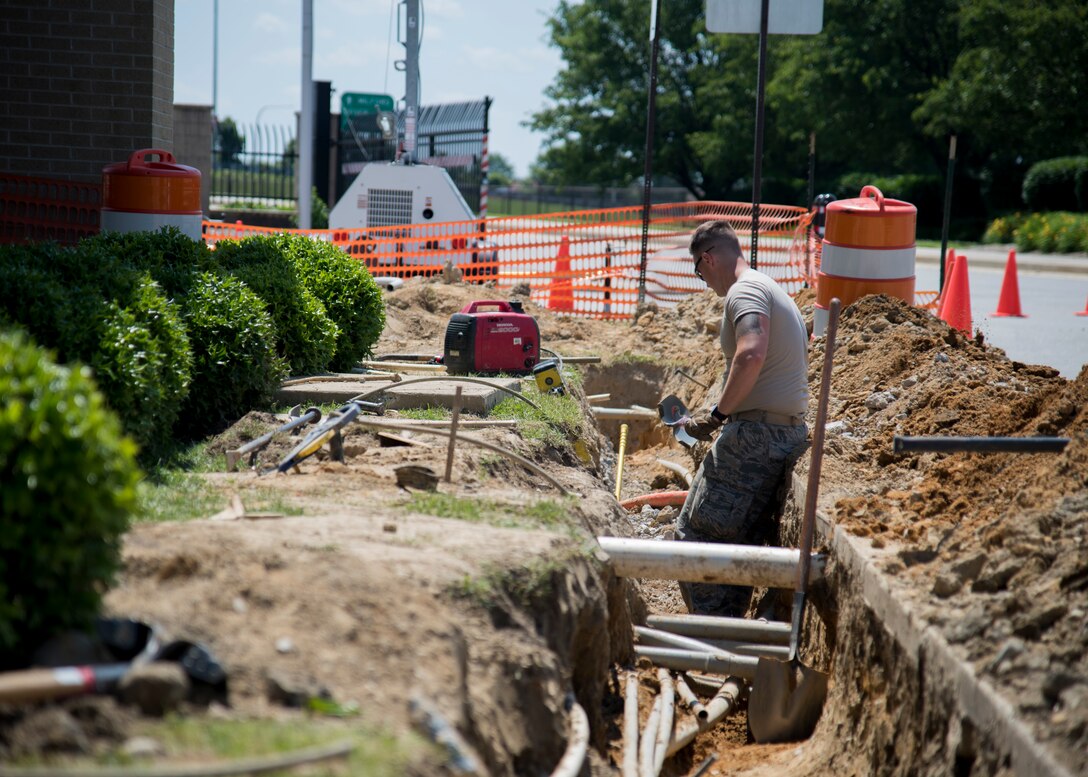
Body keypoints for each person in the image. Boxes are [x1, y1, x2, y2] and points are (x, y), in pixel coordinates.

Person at [676, 220, 810, 617]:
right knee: (740, 536)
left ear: (709, 258)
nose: (702, 281)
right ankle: (736, 631)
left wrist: (717, 414)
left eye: (698, 271)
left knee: (695, 535)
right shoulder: (770, 287)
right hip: (783, 432)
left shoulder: (744, 291)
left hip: (755, 437)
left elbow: (751, 353)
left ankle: (716, 635)